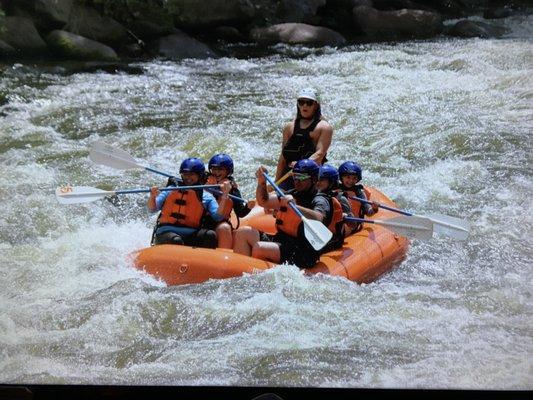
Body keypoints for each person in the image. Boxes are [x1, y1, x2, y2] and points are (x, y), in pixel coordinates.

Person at [233, 159, 334, 269]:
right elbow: (263, 201)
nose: (297, 181)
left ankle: (254, 278)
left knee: (259, 248)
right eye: (295, 176)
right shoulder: (292, 193)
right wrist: (262, 182)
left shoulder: (320, 199)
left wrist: (295, 207)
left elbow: (319, 218)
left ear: (314, 179)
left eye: (301, 177)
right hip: (282, 241)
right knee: (243, 232)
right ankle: (239, 270)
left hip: (301, 252)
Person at [147, 157, 231, 248]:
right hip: (166, 232)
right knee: (176, 240)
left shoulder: (206, 196)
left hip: (191, 233)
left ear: (200, 175)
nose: (188, 178)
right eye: (185, 174)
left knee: (210, 235)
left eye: (191, 174)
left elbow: (218, 217)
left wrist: (224, 196)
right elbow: (152, 209)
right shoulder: (170, 189)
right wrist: (152, 196)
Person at [275, 87, 333, 190]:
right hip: (289, 174)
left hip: (310, 177)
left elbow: (319, 154)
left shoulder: (324, 127)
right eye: (301, 102)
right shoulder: (289, 127)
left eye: (309, 103)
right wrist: (276, 182)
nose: (305, 105)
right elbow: (283, 157)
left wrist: (299, 166)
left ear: (316, 105)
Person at [204, 153, 256, 248]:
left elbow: (240, 212)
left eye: (220, 169)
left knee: (224, 228)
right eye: (214, 169)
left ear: (228, 171)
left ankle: (224, 256)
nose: (216, 172)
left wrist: (248, 207)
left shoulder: (232, 189)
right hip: (202, 221)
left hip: (219, 223)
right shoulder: (204, 181)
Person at [316, 164, 353, 246]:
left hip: (333, 240)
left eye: (321, 180)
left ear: (331, 182)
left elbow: (352, 224)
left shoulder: (341, 198)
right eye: (316, 179)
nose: (317, 182)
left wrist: (345, 217)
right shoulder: (313, 196)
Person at [337, 161, 378, 234]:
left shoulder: (359, 193)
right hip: (338, 220)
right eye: (348, 177)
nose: (351, 180)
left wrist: (374, 209)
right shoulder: (335, 188)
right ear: (341, 177)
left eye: (354, 178)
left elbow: (368, 212)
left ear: (357, 179)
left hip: (354, 225)